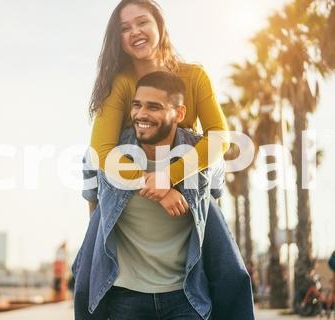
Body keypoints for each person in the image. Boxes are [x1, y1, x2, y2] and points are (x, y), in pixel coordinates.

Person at [73, 72, 254, 319]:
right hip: (125, 296)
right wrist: (159, 190)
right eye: (136, 105)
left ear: (179, 114)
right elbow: (95, 212)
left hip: (186, 297)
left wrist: (169, 180)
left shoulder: (205, 159)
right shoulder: (104, 156)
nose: (141, 114)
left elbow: (211, 220)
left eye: (153, 107)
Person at [87, 0, 230, 215]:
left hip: (183, 167)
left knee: (207, 157)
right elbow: (102, 149)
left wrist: (169, 177)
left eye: (142, 22)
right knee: (88, 161)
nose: (134, 32)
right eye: (125, 28)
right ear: (119, 39)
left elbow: (219, 137)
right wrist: (153, 185)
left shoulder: (195, 76)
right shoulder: (119, 83)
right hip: (134, 168)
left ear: (160, 27)